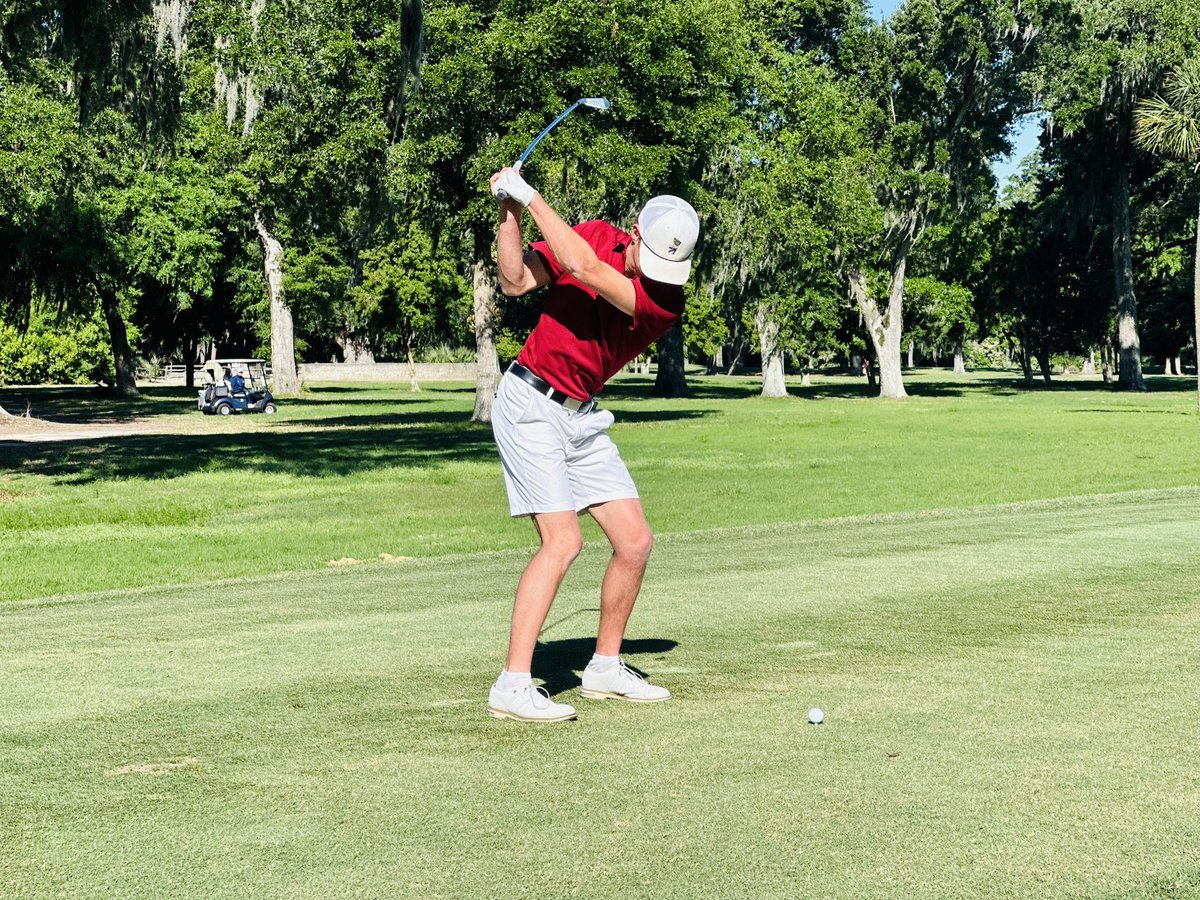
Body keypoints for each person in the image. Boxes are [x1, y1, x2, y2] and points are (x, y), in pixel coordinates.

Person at [485, 165, 699, 723]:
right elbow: (513, 281)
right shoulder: (596, 233)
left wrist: (528, 194)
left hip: (580, 417)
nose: (660, 275)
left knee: (635, 541)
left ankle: (604, 666)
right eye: (652, 259)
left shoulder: (664, 302)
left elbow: (582, 265)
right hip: (530, 404)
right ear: (634, 231)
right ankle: (512, 684)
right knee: (563, 542)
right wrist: (509, 212)